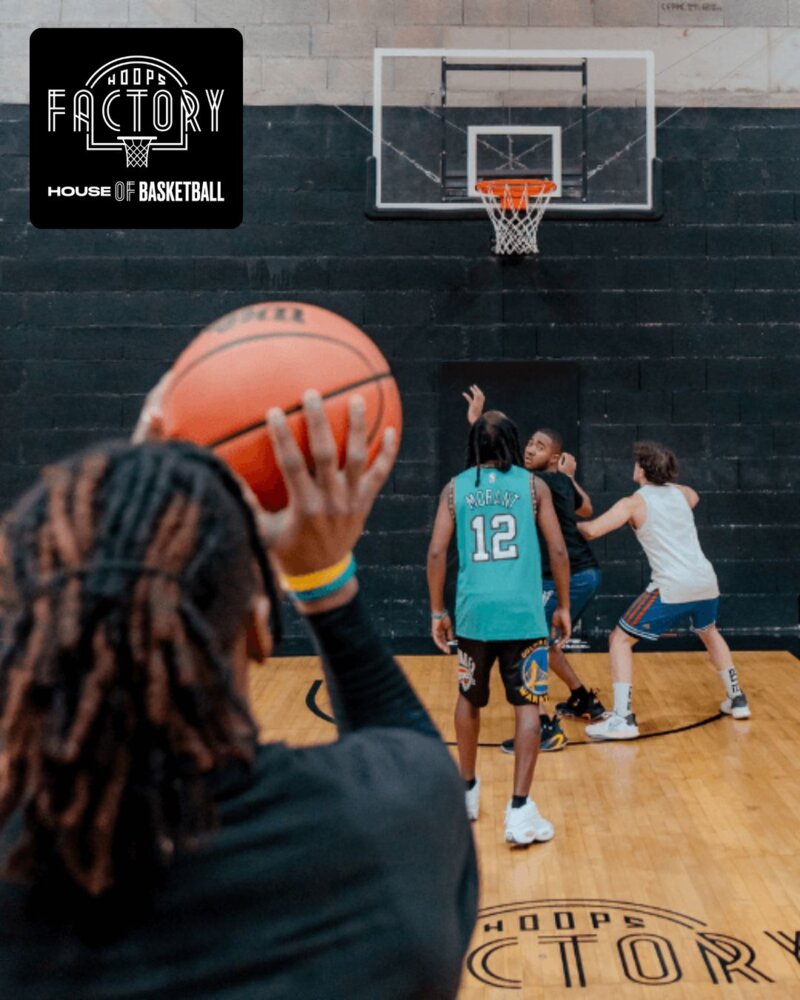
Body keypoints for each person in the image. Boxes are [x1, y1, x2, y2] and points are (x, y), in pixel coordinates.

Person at [0, 389, 478, 999]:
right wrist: (323, 579)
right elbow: (409, 746)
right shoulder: (389, 827)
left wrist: (128, 506)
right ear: (258, 624)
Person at [426, 410, 571, 845]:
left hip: (474, 615)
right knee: (528, 707)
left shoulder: (455, 490)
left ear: (474, 446)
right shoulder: (532, 486)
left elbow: (436, 553)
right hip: (522, 616)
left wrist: (437, 611)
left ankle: (467, 791)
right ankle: (520, 810)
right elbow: (558, 549)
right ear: (511, 443)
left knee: (468, 699)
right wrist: (563, 605)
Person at [462, 387, 605, 756]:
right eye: (529, 443)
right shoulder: (531, 481)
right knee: (542, 642)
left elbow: (584, 511)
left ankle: (544, 728)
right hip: (560, 574)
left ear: (554, 457)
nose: (529, 449)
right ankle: (582, 700)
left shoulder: (540, 483)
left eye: (539, 447)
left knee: (533, 642)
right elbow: (584, 507)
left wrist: (566, 477)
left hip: (575, 573)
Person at [576, 439, 751, 740]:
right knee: (709, 631)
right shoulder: (683, 493)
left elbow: (592, 531)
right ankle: (737, 698)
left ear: (642, 469)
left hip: (673, 586)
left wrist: (561, 524)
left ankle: (623, 718)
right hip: (706, 582)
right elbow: (693, 496)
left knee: (619, 639)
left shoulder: (633, 503)